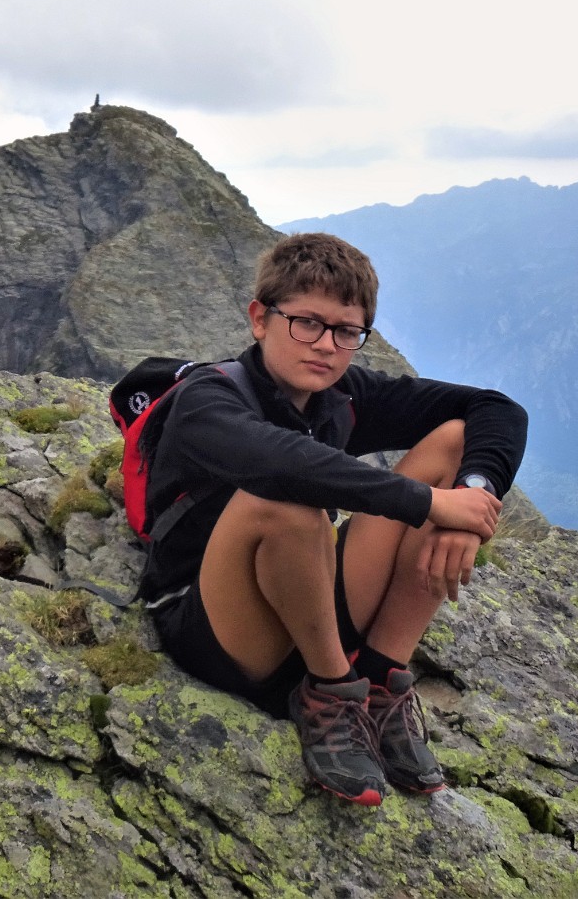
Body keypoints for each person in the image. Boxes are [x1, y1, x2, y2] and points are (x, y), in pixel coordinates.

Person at [145, 233, 527, 806]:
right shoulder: (207, 400)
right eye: (306, 323)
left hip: (306, 602)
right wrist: (430, 505)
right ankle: (329, 693)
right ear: (260, 318)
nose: (325, 345)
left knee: (455, 442)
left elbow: (496, 410)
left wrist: (470, 498)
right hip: (215, 625)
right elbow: (277, 465)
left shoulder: (341, 396)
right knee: (285, 498)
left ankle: (376, 679)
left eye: (347, 332)